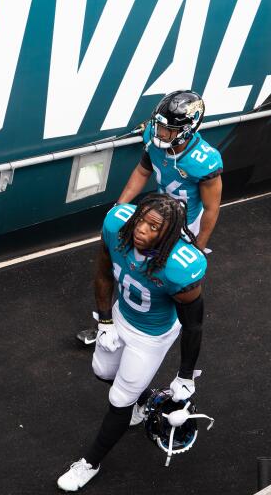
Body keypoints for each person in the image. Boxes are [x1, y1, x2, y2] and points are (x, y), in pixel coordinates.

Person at [57, 194, 207, 491]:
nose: (141, 229)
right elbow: (102, 274)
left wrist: (186, 374)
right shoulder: (117, 227)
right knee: (102, 372)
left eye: (154, 227)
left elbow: (194, 324)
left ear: (169, 235)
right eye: (141, 220)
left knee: (119, 399)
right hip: (120, 316)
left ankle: (90, 463)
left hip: (151, 335)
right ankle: (147, 398)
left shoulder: (179, 267)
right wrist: (104, 321)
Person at [77, 90, 222, 346]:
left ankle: (162, 333)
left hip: (184, 226)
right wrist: (120, 207)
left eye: (168, 129)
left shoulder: (204, 160)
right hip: (155, 214)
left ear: (187, 129)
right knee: (124, 265)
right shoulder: (154, 140)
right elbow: (142, 171)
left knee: (158, 279)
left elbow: (211, 208)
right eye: (159, 125)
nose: (160, 133)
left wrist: (198, 246)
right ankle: (105, 323)